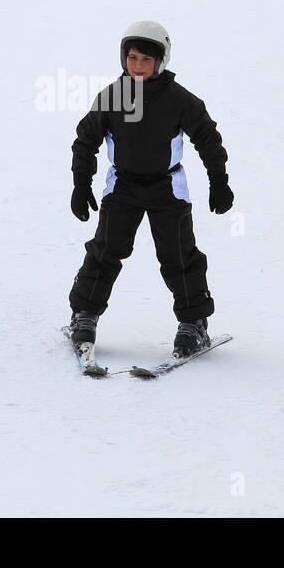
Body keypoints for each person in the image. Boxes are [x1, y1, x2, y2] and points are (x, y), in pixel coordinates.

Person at [66, 21, 232, 358]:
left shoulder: (179, 100)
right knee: (105, 251)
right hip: (123, 185)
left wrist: (220, 182)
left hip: (167, 188)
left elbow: (208, 140)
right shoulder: (114, 96)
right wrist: (81, 184)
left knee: (179, 256)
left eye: (146, 59)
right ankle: (84, 313)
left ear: (161, 61)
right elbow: (85, 142)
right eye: (132, 57)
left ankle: (194, 322)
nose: (138, 66)